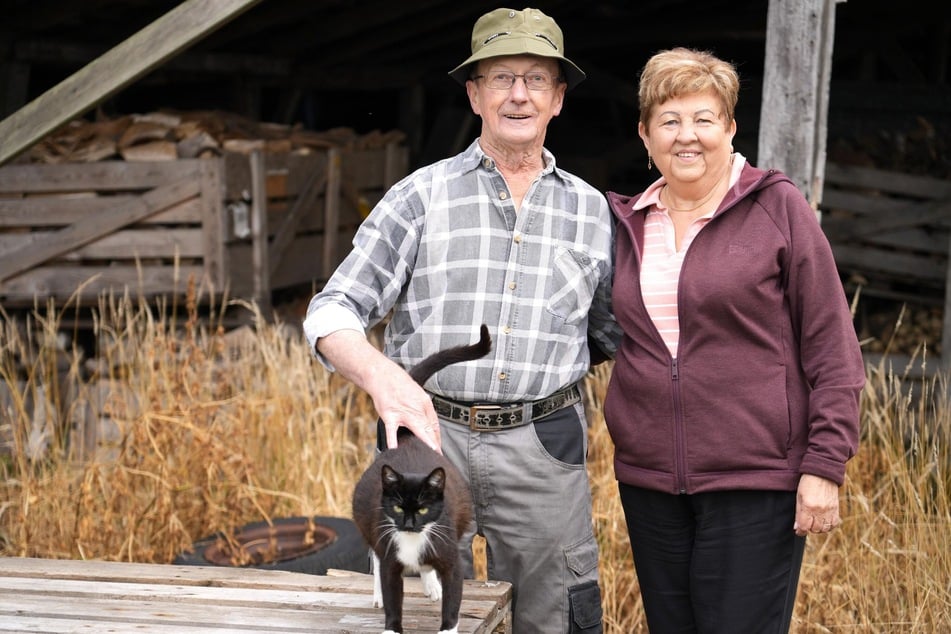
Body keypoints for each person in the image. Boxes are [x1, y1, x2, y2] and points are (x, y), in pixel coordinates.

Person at [303, 8, 619, 633]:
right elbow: (332, 309)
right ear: (475, 95)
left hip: (543, 447)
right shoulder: (419, 197)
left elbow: (615, 334)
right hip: (428, 442)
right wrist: (384, 378)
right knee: (424, 617)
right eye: (501, 78)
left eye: (536, 78)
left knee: (555, 616)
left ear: (558, 98)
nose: (518, 94)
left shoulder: (594, 212)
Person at [603, 47, 865, 632]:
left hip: (755, 478)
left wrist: (825, 464)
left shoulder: (777, 207)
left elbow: (833, 348)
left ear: (729, 128)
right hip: (649, 482)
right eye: (669, 120)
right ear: (645, 134)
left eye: (704, 118)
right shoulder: (628, 224)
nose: (686, 135)